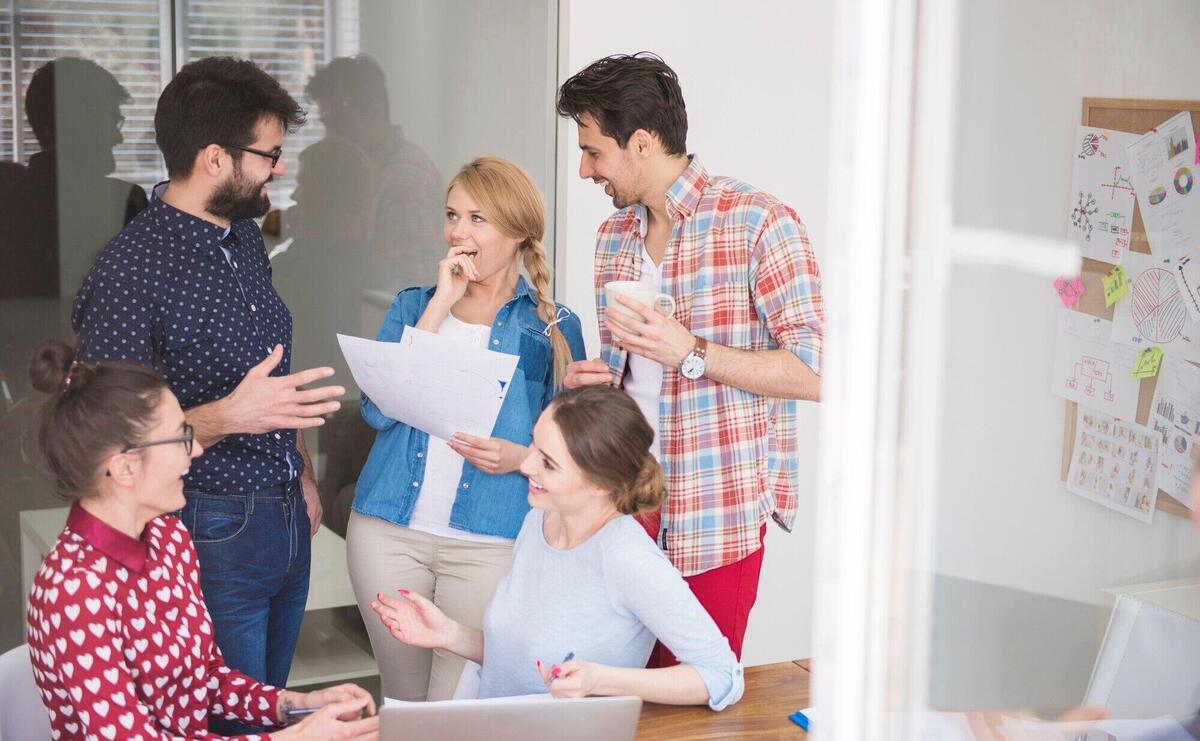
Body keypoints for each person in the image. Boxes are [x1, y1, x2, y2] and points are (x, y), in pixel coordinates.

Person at [70, 57, 343, 733]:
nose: (279, 169)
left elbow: (273, 367)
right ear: (215, 157)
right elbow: (109, 441)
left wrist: (301, 471)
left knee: (270, 711)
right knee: (226, 723)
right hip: (208, 527)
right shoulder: (130, 269)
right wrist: (229, 416)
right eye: (270, 154)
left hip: (283, 516)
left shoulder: (244, 236)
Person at [556, 52, 826, 664]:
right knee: (614, 697)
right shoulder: (612, 239)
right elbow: (631, 383)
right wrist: (589, 391)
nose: (582, 169)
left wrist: (693, 352)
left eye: (593, 151)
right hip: (622, 513)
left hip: (714, 518)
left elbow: (818, 372)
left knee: (695, 705)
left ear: (643, 144)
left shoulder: (760, 223)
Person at [24, 340, 379, 740]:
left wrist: (300, 705)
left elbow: (205, 679)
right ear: (124, 467)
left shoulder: (170, 538)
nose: (194, 451)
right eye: (179, 438)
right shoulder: (71, 590)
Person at [347, 155, 587, 702]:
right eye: (452, 215)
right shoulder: (413, 305)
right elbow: (377, 411)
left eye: (478, 218)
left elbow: (575, 456)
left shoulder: (552, 326)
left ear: (520, 230)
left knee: (453, 714)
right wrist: (440, 307)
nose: (458, 231)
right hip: (387, 535)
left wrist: (520, 457)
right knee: (404, 704)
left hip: (489, 546)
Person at [370, 385, 743, 710]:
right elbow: (525, 662)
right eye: (534, 445)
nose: (527, 464)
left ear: (599, 484)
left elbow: (722, 674)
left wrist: (601, 681)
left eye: (548, 463)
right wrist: (450, 634)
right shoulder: (540, 520)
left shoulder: (627, 558)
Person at [0, 57, 148, 298]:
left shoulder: (9, 206)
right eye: (109, 121)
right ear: (71, 125)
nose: (117, 137)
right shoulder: (124, 203)